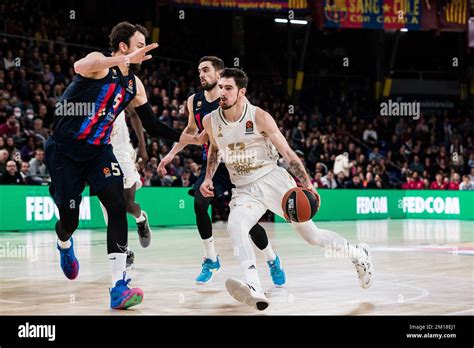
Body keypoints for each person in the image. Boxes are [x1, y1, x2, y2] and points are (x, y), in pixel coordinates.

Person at [44, 22, 206, 310]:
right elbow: (80, 65)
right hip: (64, 152)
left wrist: (193, 139)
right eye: (140, 44)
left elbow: (153, 125)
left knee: (117, 206)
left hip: (99, 152)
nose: (144, 50)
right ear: (123, 47)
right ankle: (64, 244)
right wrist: (122, 61)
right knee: (69, 220)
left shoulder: (134, 85)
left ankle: (119, 286)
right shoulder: (101, 66)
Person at [200, 68, 373, 311]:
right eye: (221, 87)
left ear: (242, 92)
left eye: (228, 88)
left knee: (313, 237)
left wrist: (308, 184)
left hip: (273, 180)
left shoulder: (259, 117)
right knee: (235, 226)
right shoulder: (210, 120)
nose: (222, 92)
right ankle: (254, 286)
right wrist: (208, 177)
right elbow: (215, 150)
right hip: (244, 189)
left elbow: (288, 154)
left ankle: (358, 254)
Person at [157, 57, 285, 286]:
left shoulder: (232, 100)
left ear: (219, 75)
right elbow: (190, 131)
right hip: (215, 167)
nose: (201, 74)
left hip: (243, 166)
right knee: (199, 201)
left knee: (250, 225)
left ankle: (272, 259)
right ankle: (211, 259)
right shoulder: (194, 102)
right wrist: (171, 153)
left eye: (206, 70)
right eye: (199, 71)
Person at [100, 107, 150, 269]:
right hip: (99, 155)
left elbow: (134, 113)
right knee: (110, 209)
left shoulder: (118, 87)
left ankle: (141, 219)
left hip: (122, 153)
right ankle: (125, 250)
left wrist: (142, 147)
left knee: (128, 205)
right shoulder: (84, 93)